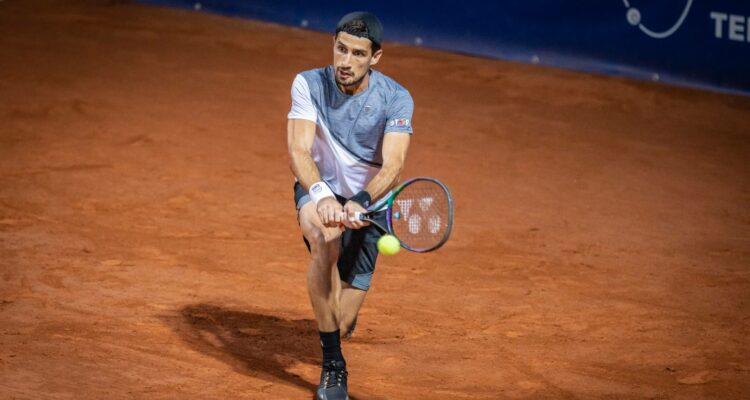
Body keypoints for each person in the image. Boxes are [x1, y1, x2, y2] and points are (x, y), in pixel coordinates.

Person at [286, 11, 414, 400]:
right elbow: (298, 149)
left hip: (370, 202)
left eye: (358, 54)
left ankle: (339, 322)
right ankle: (333, 365)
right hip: (319, 189)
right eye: (341, 49)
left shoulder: (396, 98)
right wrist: (323, 195)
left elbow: (393, 166)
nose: (345, 62)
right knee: (325, 240)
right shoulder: (308, 83)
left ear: (375, 58)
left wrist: (361, 200)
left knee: (341, 318)